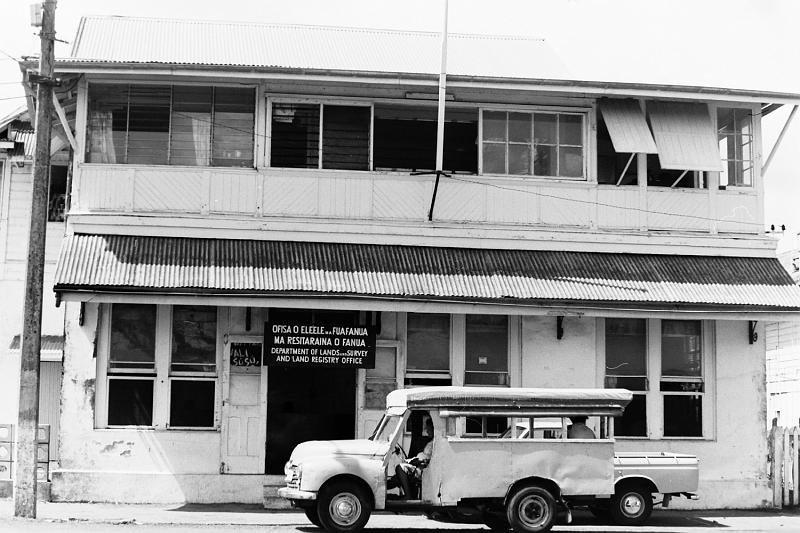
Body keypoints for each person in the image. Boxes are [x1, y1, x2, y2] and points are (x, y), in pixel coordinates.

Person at [395, 417, 434, 499]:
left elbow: (430, 459)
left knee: (400, 468)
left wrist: (418, 461)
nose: (427, 431)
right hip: (419, 465)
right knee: (397, 477)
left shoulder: (435, 444)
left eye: (428, 429)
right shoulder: (431, 442)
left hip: (423, 469)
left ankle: (408, 496)